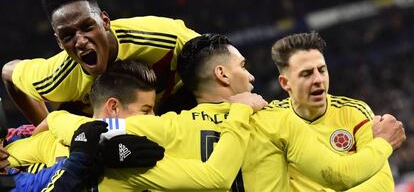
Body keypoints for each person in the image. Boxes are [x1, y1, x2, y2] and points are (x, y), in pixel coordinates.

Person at [46, 34, 405, 191]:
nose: (250, 75)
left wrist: (53, 120)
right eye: (243, 65)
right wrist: (383, 144)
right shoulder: (272, 120)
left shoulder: (166, 125)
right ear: (222, 73)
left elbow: (91, 128)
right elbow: (339, 173)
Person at [5, 59, 266, 191]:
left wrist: (55, 120)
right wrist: (240, 111)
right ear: (114, 107)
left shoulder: (128, 152)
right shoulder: (137, 161)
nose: (152, 117)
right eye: (146, 110)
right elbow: (216, 178)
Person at [1, 0, 199, 125]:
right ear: (59, 42)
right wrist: (47, 125)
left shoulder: (161, 37)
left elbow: (219, 56)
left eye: (87, 27)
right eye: (68, 36)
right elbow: (8, 72)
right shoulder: (55, 77)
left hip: (179, 111)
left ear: (105, 21)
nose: (80, 41)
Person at [270, 32, 394, 191]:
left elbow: (382, 185)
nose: (318, 80)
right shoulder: (273, 120)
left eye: (321, 70)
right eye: (306, 74)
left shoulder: (355, 113)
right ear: (285, 82)